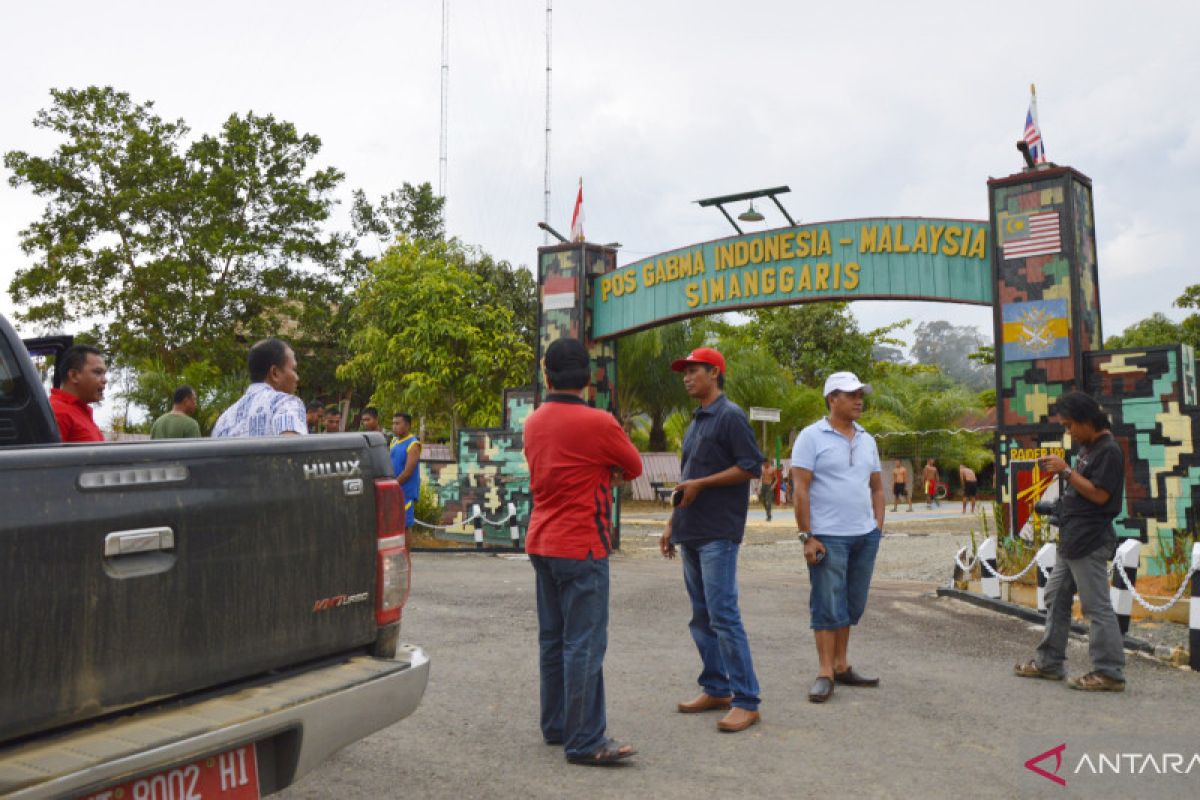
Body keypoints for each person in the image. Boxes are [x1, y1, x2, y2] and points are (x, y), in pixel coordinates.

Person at [523, 337, 644, 765]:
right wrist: (604, 473)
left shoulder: (534, 422)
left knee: (553, 641)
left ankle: (557, 726)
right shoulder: (600, 423)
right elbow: (633, 466)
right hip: (582, 546)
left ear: (547, 374)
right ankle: (585, 740)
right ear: (587, 379)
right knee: (585, 644)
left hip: (541, 541)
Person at [659, 347, 763, 733]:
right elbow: (689, 476)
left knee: (723, 615)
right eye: (683, 372)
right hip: (691, 530)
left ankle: (747, 699)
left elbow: (751, 466)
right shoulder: (695, 421)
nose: (686, 377)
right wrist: (672, 523)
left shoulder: (730, 416)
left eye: (693, 371)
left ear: (715, 373)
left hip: (719, 531)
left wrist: (703, 483)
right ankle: (717, 687)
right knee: (702, 617)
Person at [1014, 391, 1127, 692]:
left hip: (1089, 539)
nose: (1068, 432)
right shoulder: (1089, 449)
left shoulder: (1108, 451)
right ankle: (1049, 663)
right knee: (1055, 596)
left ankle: (1109, 672)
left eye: (1069, 425)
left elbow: (1100, 495)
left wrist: (1065, 471)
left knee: (1096, 607)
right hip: (1072, 538)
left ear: (1087, 420)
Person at [792, 371, 885, 704]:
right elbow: (800, 489)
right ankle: (824, 671)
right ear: (833, 398)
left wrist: (878, 526)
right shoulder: (811, 437)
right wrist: (807, 536)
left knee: (851, 604)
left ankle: (842, 665)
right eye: (851, 394)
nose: (859, 400)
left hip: (864, 536)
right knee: (827, 603)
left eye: (861, 393)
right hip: (827, 536)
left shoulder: (867, 439)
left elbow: (876, 486)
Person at [212, 338, 307, 438]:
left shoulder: (224, 419)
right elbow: (292, 450)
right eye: (293, 369)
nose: (297, 378)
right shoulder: (286, 404)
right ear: (274, 373)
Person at [50, 344, 107, 442]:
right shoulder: (57, 411)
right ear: (74, 375)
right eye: (98, 372)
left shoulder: (80, 411)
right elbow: (47, 456)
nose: (105, 380)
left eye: (104, 374)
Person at [391, 412, 422, 528]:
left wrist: (392, 485)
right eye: (393, 423)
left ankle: (408, 548)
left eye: (398, 423)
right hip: (394, 491)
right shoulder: (394, 441)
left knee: (404, 527)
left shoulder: (413, 444)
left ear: (407, 425)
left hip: (405, 492)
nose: (394, 426)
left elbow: (408, 472)